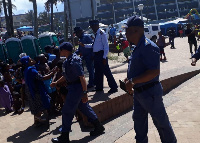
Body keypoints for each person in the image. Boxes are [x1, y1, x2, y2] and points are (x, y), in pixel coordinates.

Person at [124, 16, 177, 143]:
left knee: (161, 122)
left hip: (150, 92)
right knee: (139, 121)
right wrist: (129, 79)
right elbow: (139, 68)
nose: (125, 34)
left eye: (127, 30)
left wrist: (132, 81)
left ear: (135, 31)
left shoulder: (148, 46)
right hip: (139, 92)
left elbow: (154, 72)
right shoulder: (137, 47)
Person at [51, 42, 105, 143]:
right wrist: (56, 82)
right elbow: (66, 75)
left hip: (76, 88)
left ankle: (64, 137)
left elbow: (82, 77)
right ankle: (98, 126)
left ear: (65, 50)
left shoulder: (73, 61)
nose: (59, 52)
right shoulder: (68, 60)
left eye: (60, 50)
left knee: (67, 111)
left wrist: (85, 92)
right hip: (74, 87)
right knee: (84, 107)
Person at [79, 20, 118, 93]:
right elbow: (94, 46)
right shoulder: (96, 34)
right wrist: (84, 45)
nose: (92, 28)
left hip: (101, 55)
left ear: (97, 26)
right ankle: (99, 87)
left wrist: (104, 57)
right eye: (91, 27)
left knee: (107, 72)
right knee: (98, 72)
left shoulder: (101, 33)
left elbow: (106, 46)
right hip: (96, 55)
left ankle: (114, 87)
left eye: (93, 26)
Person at [21, 56, 55, 126]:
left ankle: (36, 122)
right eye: (30, 60)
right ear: (27, 62)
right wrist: (53, 72)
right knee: (40, 105)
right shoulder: (31, 70)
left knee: (35, 105)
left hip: (30, 90)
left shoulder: (27, 69)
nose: (32, 60)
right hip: (36, 90)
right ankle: (40, 119)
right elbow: (42, 78)